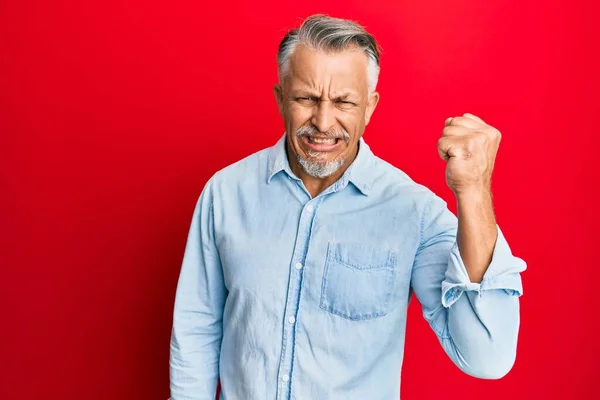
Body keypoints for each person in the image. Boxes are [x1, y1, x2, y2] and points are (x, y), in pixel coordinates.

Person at [168, 14, 527, 400]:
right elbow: (197, 328)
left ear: (370, 106)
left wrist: (474, 190)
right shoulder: (224, 193)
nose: (323, 121)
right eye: (306, 98)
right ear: (280, 99)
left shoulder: (415, 213)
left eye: (344, 102)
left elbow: (488, 356)